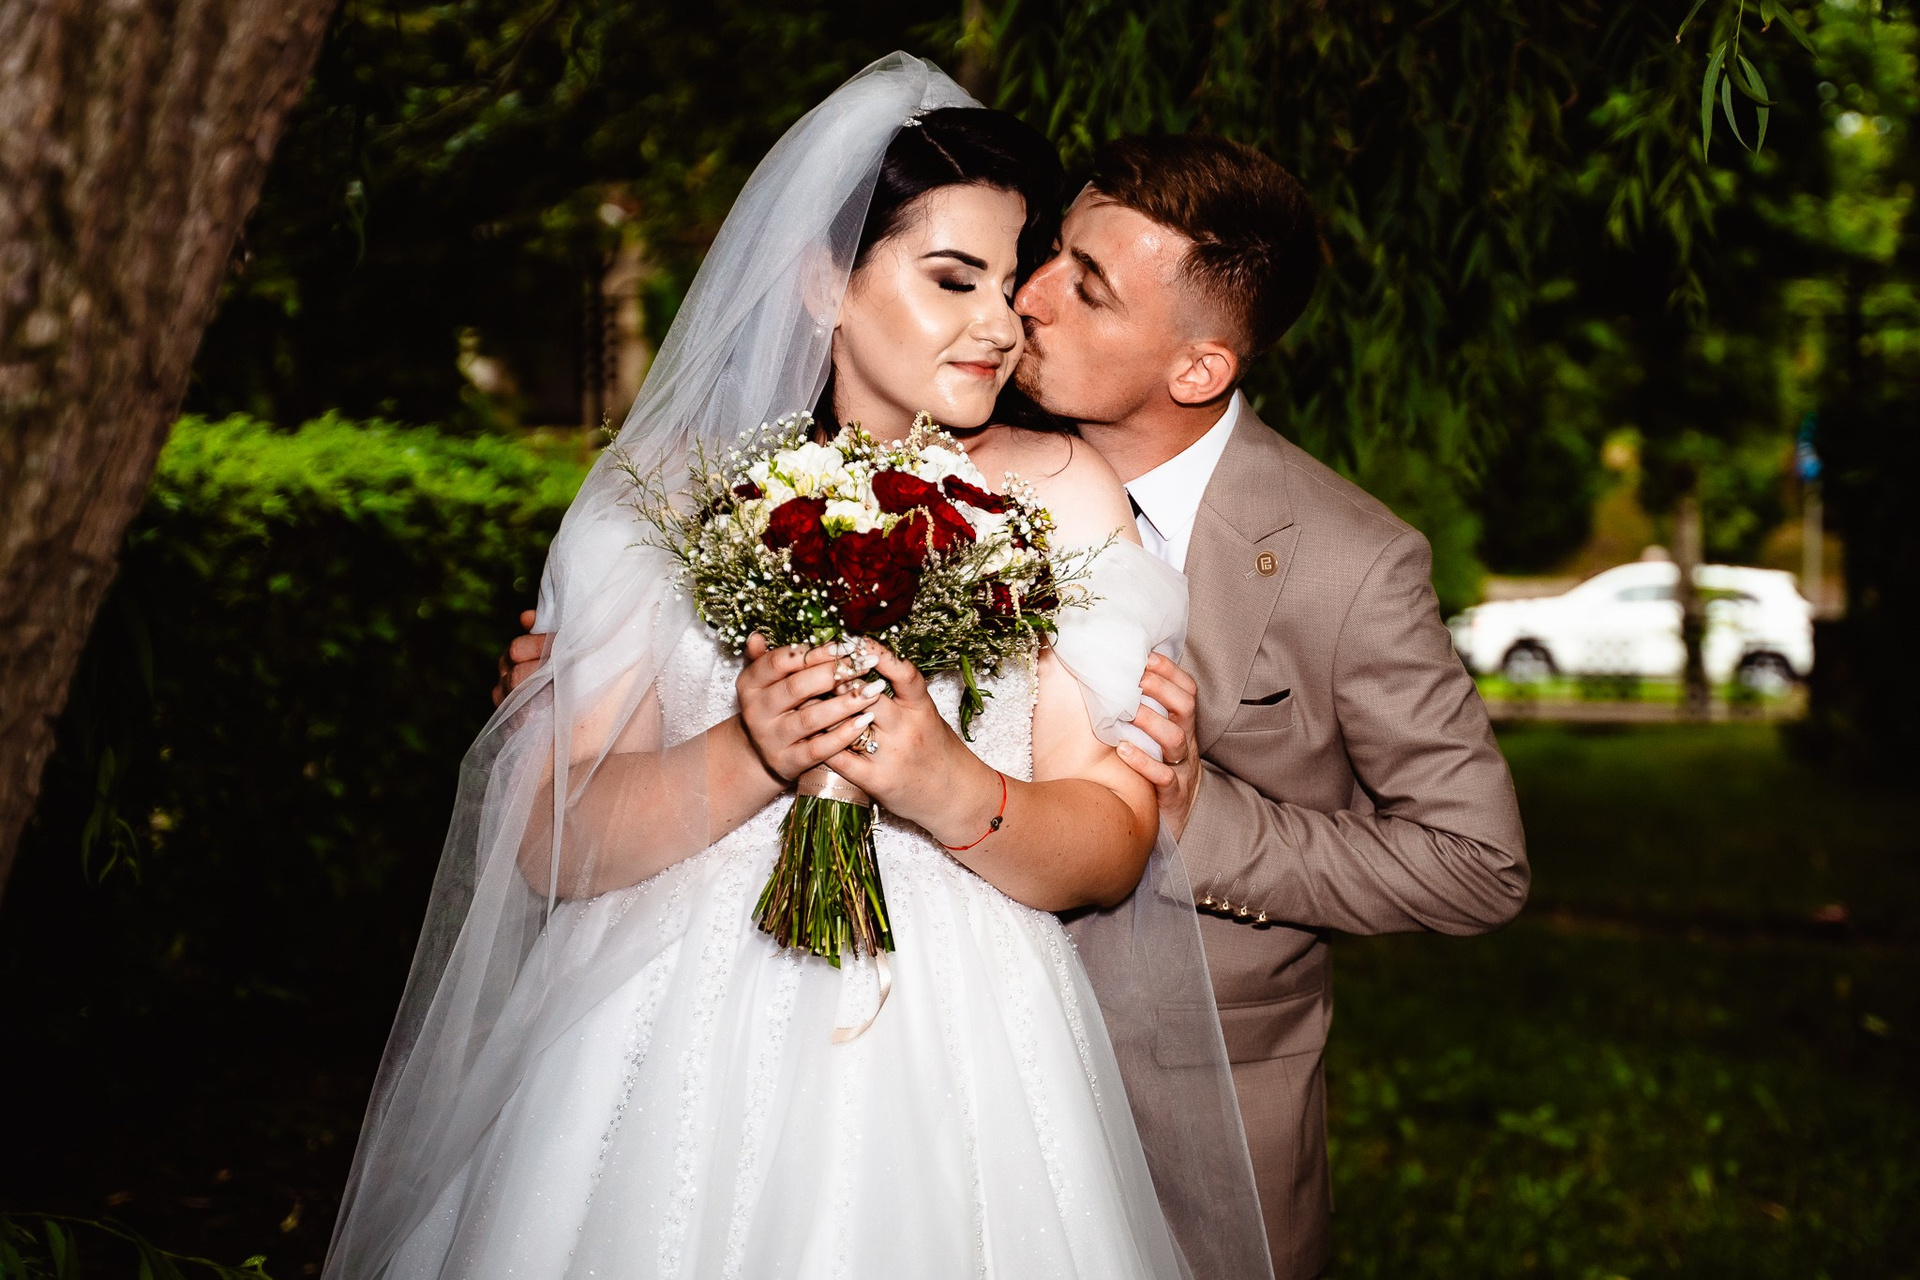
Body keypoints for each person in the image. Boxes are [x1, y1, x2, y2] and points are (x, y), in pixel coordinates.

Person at [330, 55, 1270, 1280]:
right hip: (657, 1032)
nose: (1000, 325)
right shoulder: (660, 498)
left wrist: (947, 783)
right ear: (825, 276)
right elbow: (551, 836)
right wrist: (749, 751)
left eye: (1012, 283)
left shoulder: (1061, 493)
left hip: (965, 1043)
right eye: (953, 278)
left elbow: (1110, 837)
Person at [1014, 135, 1531, 1278]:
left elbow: (1478, 862)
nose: (1029, 294)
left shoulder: (1350, 562)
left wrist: (1203, 819)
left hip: (1198, 1127)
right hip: (962, 1067)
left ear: (1198, 368)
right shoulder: (956, 460)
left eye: (1087, 287)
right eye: (1052, 253)